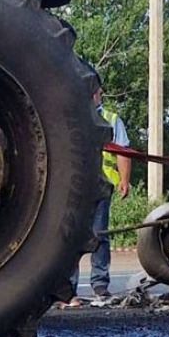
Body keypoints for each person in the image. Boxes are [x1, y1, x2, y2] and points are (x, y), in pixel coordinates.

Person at [68, 73, 130, 304]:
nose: (97, 94)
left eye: (97, 91)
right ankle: (68, 286)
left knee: (99, 236)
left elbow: (123, 151)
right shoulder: (73, 117)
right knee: (71, 237)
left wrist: (124, 179)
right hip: (77, 188)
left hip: (102, 187)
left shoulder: (111, 119)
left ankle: (100, 284)